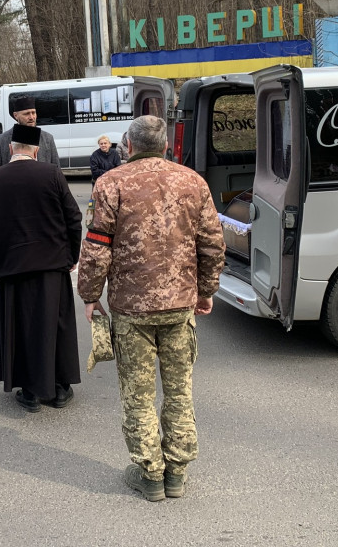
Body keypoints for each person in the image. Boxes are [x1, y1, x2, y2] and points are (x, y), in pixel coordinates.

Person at [77, 115, 225, 502]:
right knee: (179, 392)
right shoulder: (193, 182)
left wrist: (90, 295)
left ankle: (150, 474)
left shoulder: (110, 183)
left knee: (138, 395)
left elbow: (96, 246)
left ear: (129, 144)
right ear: (165, 145)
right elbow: (212, 243)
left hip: (131, 309)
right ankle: (176, 473)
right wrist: (206, 290)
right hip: (180, 305)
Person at [0, 124, 82, 412]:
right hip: (52, 265)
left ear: (11, 148)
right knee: (54, 325)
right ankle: (59, 388)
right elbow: (73, 217)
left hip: (11, 268)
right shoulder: (52, 174)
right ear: (36, 151)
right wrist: (72, 255)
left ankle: (30, 392)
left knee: (19, 327)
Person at [0, 97, 60, 168]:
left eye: (33, 113)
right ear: (15, 115)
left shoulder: (47, 139)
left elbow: (56, 169)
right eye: (26, 114)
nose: (31, 117)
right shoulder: (2, 140)